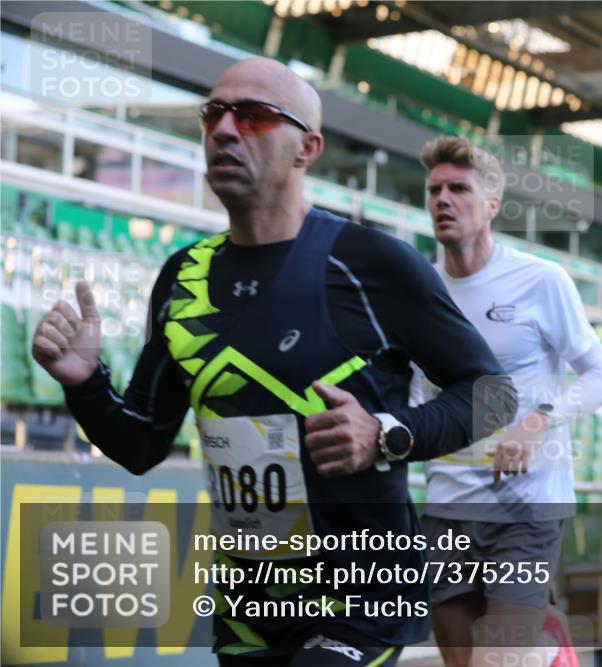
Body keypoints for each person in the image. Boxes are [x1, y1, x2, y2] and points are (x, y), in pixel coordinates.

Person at [30, 58, 517, 666]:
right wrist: (85, 385)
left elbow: (495, 392)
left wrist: (388, 435)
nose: (226, 130)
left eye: (255, 117)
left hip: (362, 601)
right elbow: (141, 445)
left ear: (307, 149)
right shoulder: (184, 277)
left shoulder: (370, 263)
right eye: (215, 114)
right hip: (253, 610)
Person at [416, 136, 602, 667]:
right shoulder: (419, 293)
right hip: (448, 511)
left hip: (527, 510)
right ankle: (546, 655)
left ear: (492, 205)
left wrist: (539, 420)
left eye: (459, 188)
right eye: (435, 188)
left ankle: (542, 651)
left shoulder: (541, 280)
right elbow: (419, 399)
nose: (443, 199)